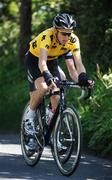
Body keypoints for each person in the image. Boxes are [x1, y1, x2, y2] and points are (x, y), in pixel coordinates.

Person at [25, 13, 94, 151]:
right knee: (44, 88)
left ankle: (51, 133)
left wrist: (83, 79)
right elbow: (42, 63)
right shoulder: (47, 36)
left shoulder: (72, 40)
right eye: (63, 33)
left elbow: (75, 66)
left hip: (52, 61)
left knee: (56, 96)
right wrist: (48, 77)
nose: (66, 37)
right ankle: (29, 118)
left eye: (69, 34)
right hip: (35, 60)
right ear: (56, 30)